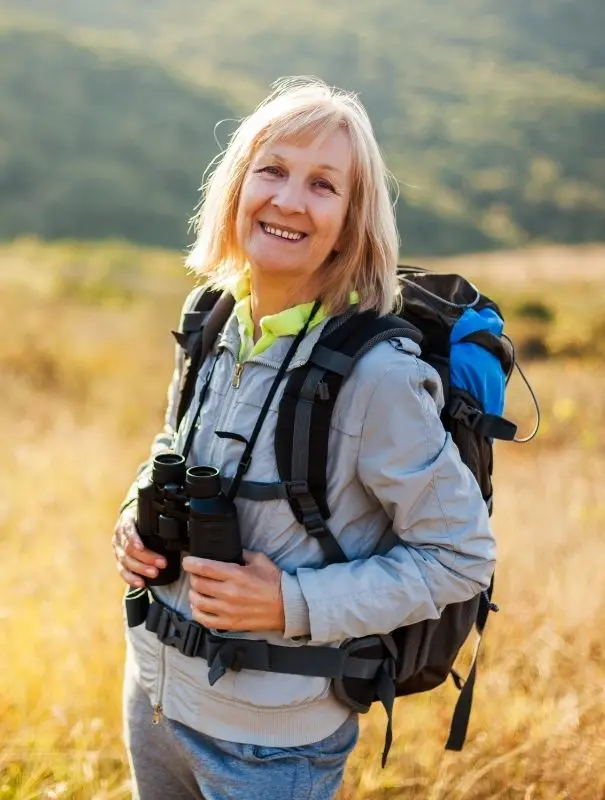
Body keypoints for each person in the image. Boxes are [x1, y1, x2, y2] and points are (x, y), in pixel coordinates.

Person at [112, 77, 496, 800]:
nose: (288, 200)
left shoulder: (376, 378)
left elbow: (460, 556)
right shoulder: (212, 318)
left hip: (271, 744)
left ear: (353, 220)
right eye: (272, 170)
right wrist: (133, 523)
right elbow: (173, 446)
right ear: (236, 187)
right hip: (155, 697)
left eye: (323, 185)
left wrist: (292, 604)